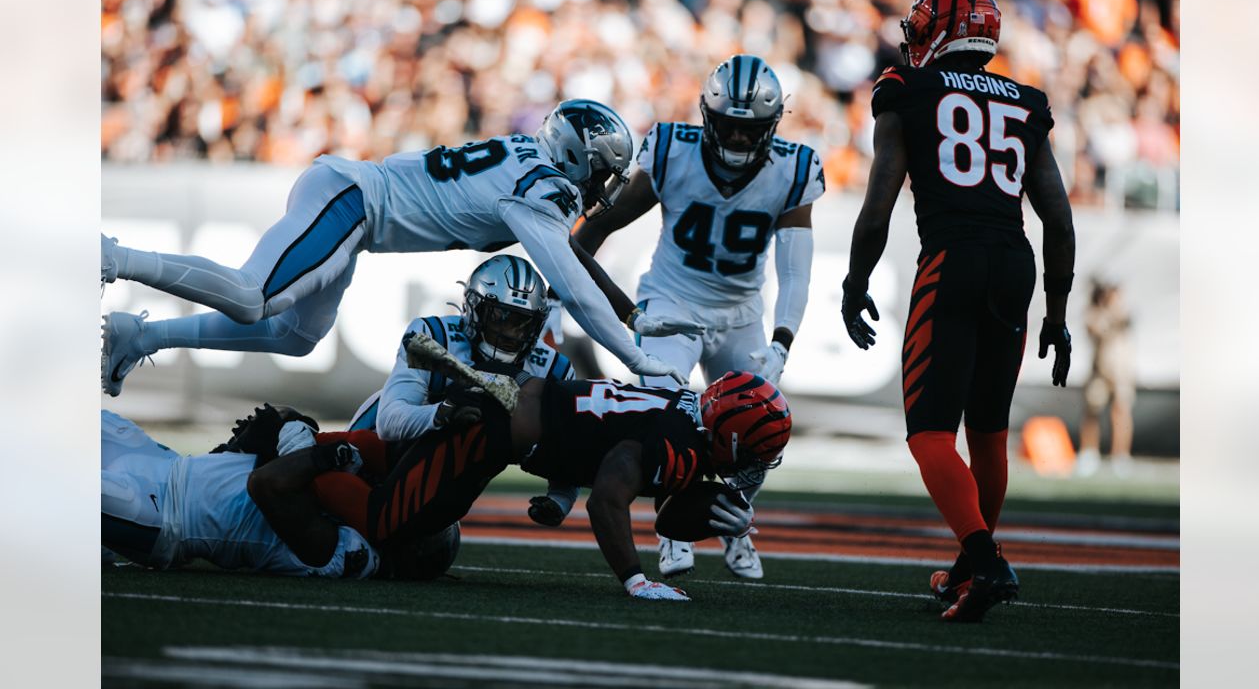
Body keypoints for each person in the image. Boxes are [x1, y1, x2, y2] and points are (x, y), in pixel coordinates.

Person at [100, 99, 703, 396]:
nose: (604, 186)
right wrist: (635, 354)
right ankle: (111, 257)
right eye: (602, 170)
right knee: (253, 297)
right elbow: (569, 282)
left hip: (354, 208)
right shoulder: (540, 191)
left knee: (296, 335)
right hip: (353, 199)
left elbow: (573, 262)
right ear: (578, 158)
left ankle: (142, 335)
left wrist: (632, 314)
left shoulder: (535, 172)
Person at [840, 0, 1076, 623]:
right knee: (990, 430)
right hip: (1016, 262)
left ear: (936, 30)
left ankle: (986, 559)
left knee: (930, 433)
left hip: (953, 259)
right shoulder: (1027, 101)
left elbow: (880, 198)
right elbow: (1058, 218)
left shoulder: (905, 86)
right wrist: (1056, 313)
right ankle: (973, 569)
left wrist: (856, 280)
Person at [572, 55, 823, 580]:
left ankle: (732, 525)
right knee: (664, 411)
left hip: (741, 314)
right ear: (707, 116)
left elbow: (795, 272)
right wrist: (619, 307)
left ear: (772, 126)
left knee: (762, 427)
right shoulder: (671, 152)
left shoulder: (793, 170)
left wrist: (781, 342)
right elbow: (590, 233)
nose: (735, 137)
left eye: (748, 128)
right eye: (727, 124)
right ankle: (671, 529)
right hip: (670, 305)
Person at [295, 365, 789, 601]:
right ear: (728, 435)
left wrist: (715, 509)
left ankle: (313, 446)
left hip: (506, 426)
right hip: (487, 427)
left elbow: (670, 512)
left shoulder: (686, 418)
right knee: (389, 522)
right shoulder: (676, 438)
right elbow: (607, 500)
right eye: (757, 452)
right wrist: (635, 579)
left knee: (402, 489)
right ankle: (296, 455)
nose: (756, 466)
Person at [346, 254, 580, 526]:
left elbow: (567, 447)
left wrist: (561, 499)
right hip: (379, 449)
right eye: (500, 317)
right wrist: (443, 413)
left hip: (442, 481)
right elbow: (388, 423)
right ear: (472, 307)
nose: (510, 333)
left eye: (521, 322)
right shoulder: (434, 335)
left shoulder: (553, 368)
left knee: (430, 552)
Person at [100, 407, 389, 579]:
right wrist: (287, 425)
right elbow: (280, 425)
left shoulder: (341, 550)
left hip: (165, 521)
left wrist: (326, 455)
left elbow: (265, 484)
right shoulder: (322, 488)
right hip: (168, 464)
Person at [1077, 279, 1135, 476]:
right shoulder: (1094, 313)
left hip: (1120, 371)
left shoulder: (1120, 311)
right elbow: (1094, 329)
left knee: (1121, 412)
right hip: (1098, 370)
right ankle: (1089, 453)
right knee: (1092, 413)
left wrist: (1112, 304)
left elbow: (1124, 320)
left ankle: (1120, 455)